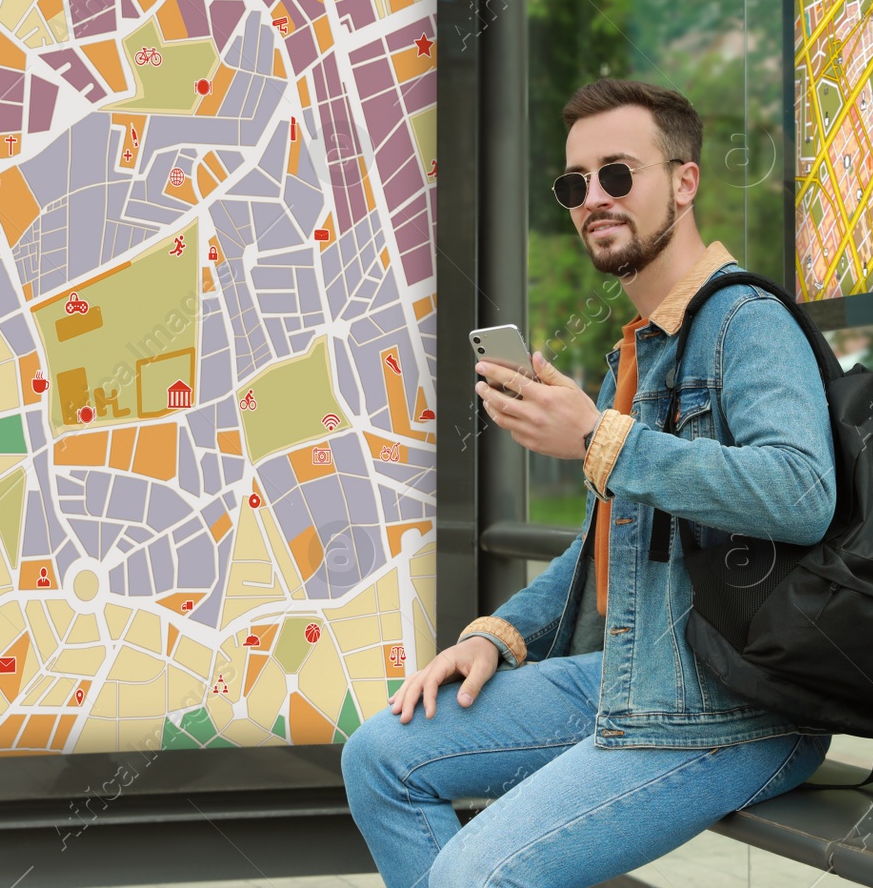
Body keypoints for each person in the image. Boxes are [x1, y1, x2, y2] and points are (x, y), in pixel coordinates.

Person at [341, 79, 839, 888]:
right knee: (379, 758)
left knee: (473, 874)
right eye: (575, 184)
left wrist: (599, 438)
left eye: (617, 174)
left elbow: (800, 491)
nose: (592, 199)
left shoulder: (747, 322)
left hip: (735, 709)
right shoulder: (636, 350)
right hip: (629, 675)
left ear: (685, 180)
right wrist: (494, 635)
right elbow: (614, 539)